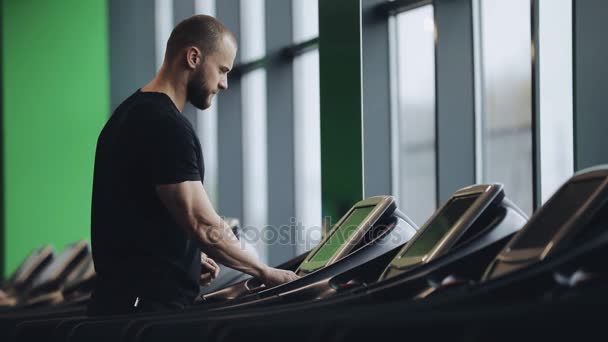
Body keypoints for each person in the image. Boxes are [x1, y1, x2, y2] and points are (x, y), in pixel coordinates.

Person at [88, 15, 298, 316]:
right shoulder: (166, 126)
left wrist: (180, 255)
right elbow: (202, 223)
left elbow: (132, 211)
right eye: (222, 70)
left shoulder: (128, 115)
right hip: (146, 315)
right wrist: (266, 272)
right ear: (193, 57)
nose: (224, 83)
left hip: (122, 303)